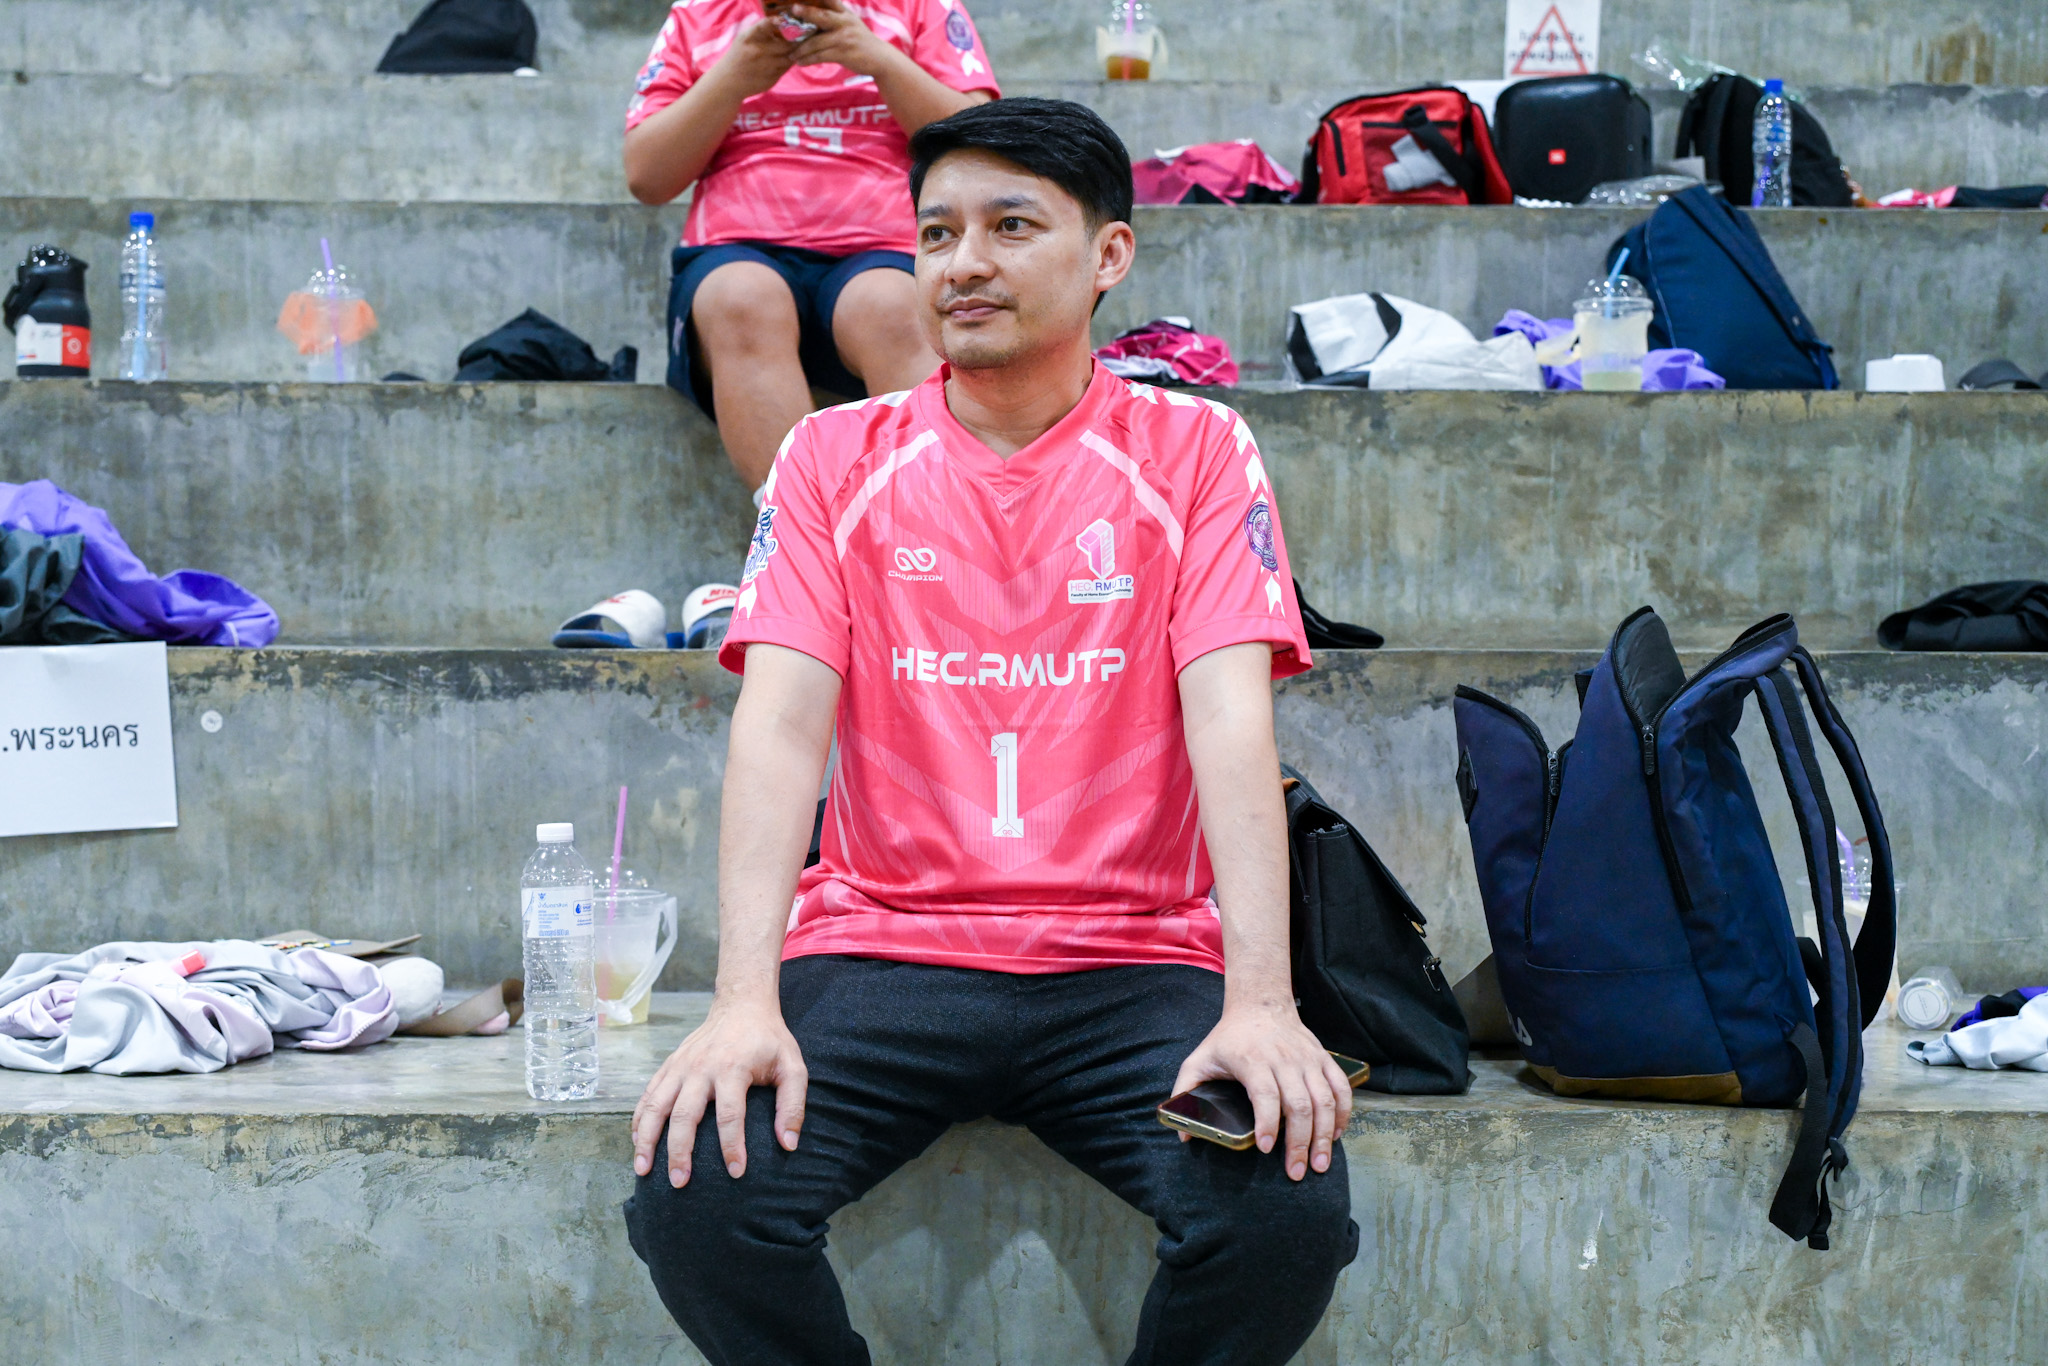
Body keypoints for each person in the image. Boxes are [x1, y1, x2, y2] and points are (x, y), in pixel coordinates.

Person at [622, 97, 1358, 1366]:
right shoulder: (830, 457)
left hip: (1133, 959)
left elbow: (1231, 722)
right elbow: (780, 729)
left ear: (1108, 254)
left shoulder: (1192, 450)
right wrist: (742, 999)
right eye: (937, 232)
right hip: (881, 949)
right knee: (697, 1200)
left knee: (1283, 1218)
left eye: (1010, 226)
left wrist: (1259, 1001)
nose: (963, 262)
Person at [624, 0, 1000, 497]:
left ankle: (935, 514)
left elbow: (984, 146)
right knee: (741, 298)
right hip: (735, 249)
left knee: (892, 306)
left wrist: (879, 59)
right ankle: (795, 525)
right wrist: (733, 76)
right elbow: (646, 176)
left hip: (883, 249)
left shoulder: (919, 6)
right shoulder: (698, 14)